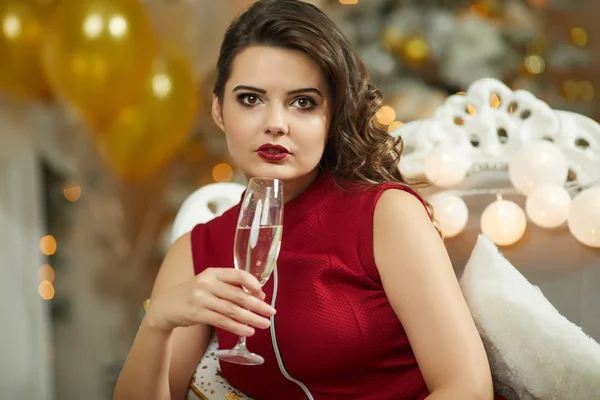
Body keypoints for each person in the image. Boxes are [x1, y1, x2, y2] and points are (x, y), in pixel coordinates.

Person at [114, 1, 505, 399]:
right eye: (250, 99)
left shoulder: (385, 214)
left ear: (331, 116)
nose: (275, 124)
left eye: (303, 102)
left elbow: (466, 388)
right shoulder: (196, 251)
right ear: (219, 110)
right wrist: (157, 323)